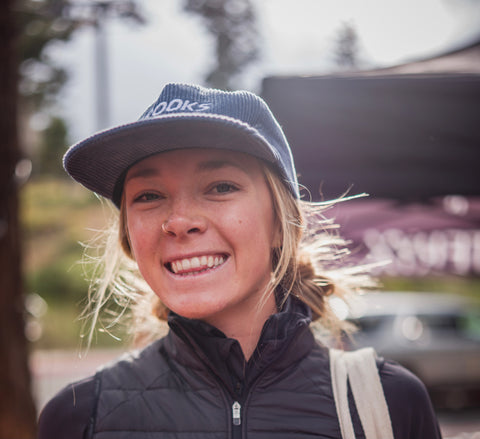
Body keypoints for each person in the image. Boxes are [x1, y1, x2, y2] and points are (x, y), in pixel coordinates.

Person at [38, 83, 442, 439]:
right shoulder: (77, 419)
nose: (179, 222)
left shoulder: (389, 404)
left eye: (220, 186)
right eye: (148, 195)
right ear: (129, 236)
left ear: (282, 224)